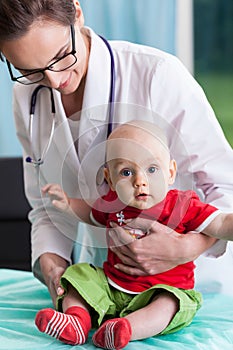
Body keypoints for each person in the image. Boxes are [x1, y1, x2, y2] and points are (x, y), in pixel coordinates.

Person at [0, 0, 233, 307]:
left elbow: (224, 185)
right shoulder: (27, 96)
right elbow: (47, 204)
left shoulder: (157, 74)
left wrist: (186, 247)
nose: (55, 81)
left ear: (78, 13)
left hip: (191, 284)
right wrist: (51, 260)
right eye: (29, 70)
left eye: (61, 57)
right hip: (110, 285)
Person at [35, 120, 233, 348]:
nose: (140, 181)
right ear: (110, 179)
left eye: (152, 169)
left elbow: (220, 222)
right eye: (127, 172)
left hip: (160, 292)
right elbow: (90, 213)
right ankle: (77, 322)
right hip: (111, 288)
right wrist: (68, 203)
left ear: (170, 173)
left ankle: (124, 329)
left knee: (171, 304)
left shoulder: (182, 205)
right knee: (77, 275)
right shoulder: (113, 203)